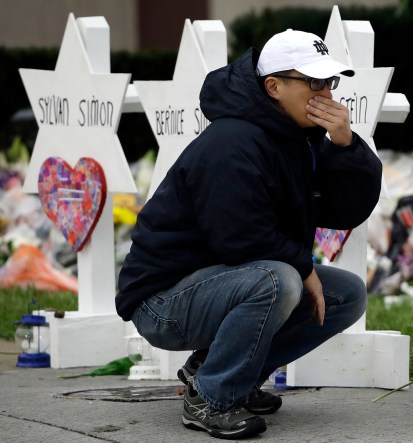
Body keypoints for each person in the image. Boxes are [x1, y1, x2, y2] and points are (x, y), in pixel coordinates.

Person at [116, 29, 382, 439]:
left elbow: (345, 211)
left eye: (330, 81)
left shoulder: (298, 139)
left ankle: (220, 372)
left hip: (221, 281)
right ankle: (212, 397)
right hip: (162, 301)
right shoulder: (233, 140)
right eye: (313, 82)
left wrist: (345, 146)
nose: (326, 93)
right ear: (273, 86)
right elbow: (238, 236)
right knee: (279, 280)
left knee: (346, 294)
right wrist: (302, 265)